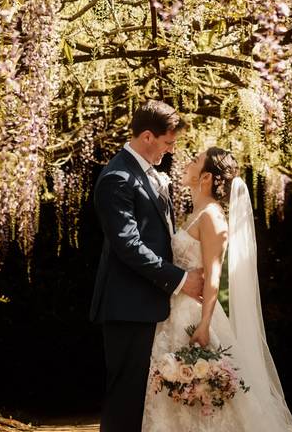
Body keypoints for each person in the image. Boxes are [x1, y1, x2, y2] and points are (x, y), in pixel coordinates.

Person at [142, 147, 292, 432]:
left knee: (203, 400)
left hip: (194, 317)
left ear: (206, 177)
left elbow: (213, 277)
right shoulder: (196, 214)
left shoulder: (212, 217)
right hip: (174, 311)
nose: (187, 163)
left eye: (195, 161)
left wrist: (204, 325)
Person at [90, 99, 205, 432]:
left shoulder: (149, 174)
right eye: (168, 143)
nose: (170, 151)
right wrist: (181, 279)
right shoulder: (118, 178)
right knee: (126, 397)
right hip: (127, 305)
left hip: (149, 302)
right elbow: (129, 246)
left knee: (144, 398)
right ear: (147, 137)